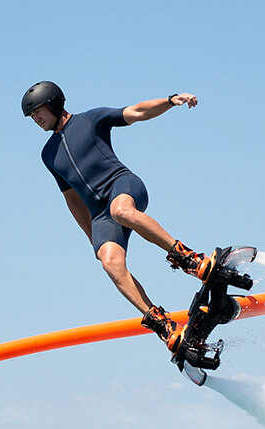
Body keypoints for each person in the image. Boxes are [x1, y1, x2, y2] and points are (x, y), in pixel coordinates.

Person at [22, 80, 216, 352]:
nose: (36, 119)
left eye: (37, 111)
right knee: (109, 260)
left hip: (122, 186)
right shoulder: (48, 154)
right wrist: (93, 238)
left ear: (54, 103)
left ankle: (188, 258)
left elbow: (137, 112)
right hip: (100, 213)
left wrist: (171, 100)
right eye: (31, 117)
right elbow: (72, 199)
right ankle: (162, 323)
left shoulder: (90, 120)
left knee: (121, 211)